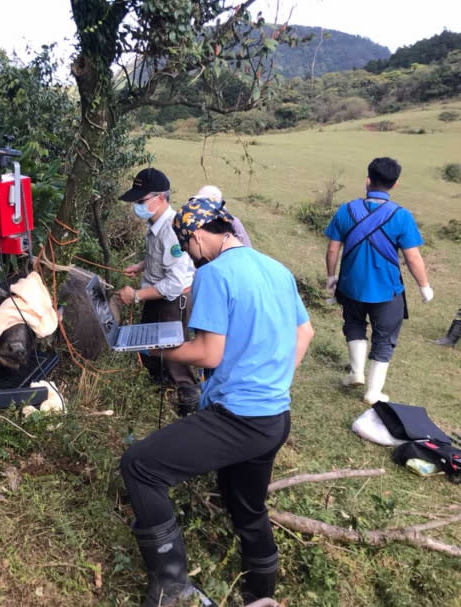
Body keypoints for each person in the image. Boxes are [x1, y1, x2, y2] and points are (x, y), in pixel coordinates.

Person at [119, 198, 314, 606]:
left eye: (187, 245)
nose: (190, 254)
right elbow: (305, 333)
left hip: (238, 418)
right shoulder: (277, 268)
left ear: (195, 237)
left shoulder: (215, 275)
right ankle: (260, 596)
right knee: (245, 504)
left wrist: (160, 352)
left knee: (140, 465)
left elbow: (208, 354)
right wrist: (274, 380)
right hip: (275, 416)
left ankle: (171, 589)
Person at [324, 157, 433, 404]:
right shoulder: (401, 216)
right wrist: (424, 286)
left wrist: (331, 278)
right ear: (395, 184)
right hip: (387, 290)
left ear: (367, 180)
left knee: (353, 324)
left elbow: (332, 249)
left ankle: (356, 372)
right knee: (384, 337)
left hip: (350, 285)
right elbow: (412, 257)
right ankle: (373, 391)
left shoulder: (346, 210)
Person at [116, 168, 200, 416]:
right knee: (151, 345)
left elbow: (174, 283)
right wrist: (141, 265)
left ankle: (189, 399)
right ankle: (160, 385)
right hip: (155, 294)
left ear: (161, 197)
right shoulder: (155, 223)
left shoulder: (172, 231)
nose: (137, 207)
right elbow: (159, 258)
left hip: (172, 301)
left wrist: (137, 296)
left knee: (174, 353)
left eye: (141, 201)